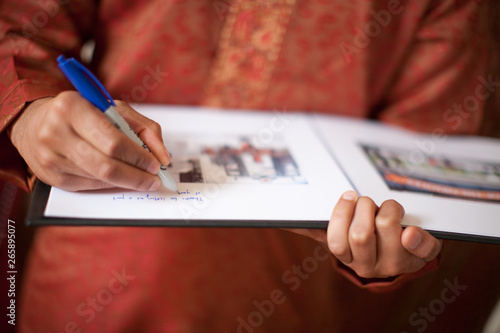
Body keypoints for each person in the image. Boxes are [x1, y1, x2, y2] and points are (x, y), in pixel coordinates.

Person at [1, 0, 499, 332]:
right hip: (87, 282)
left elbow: (430, 163)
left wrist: (396, 242)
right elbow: (16, 28)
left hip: (294, 298)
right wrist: (27, 112)